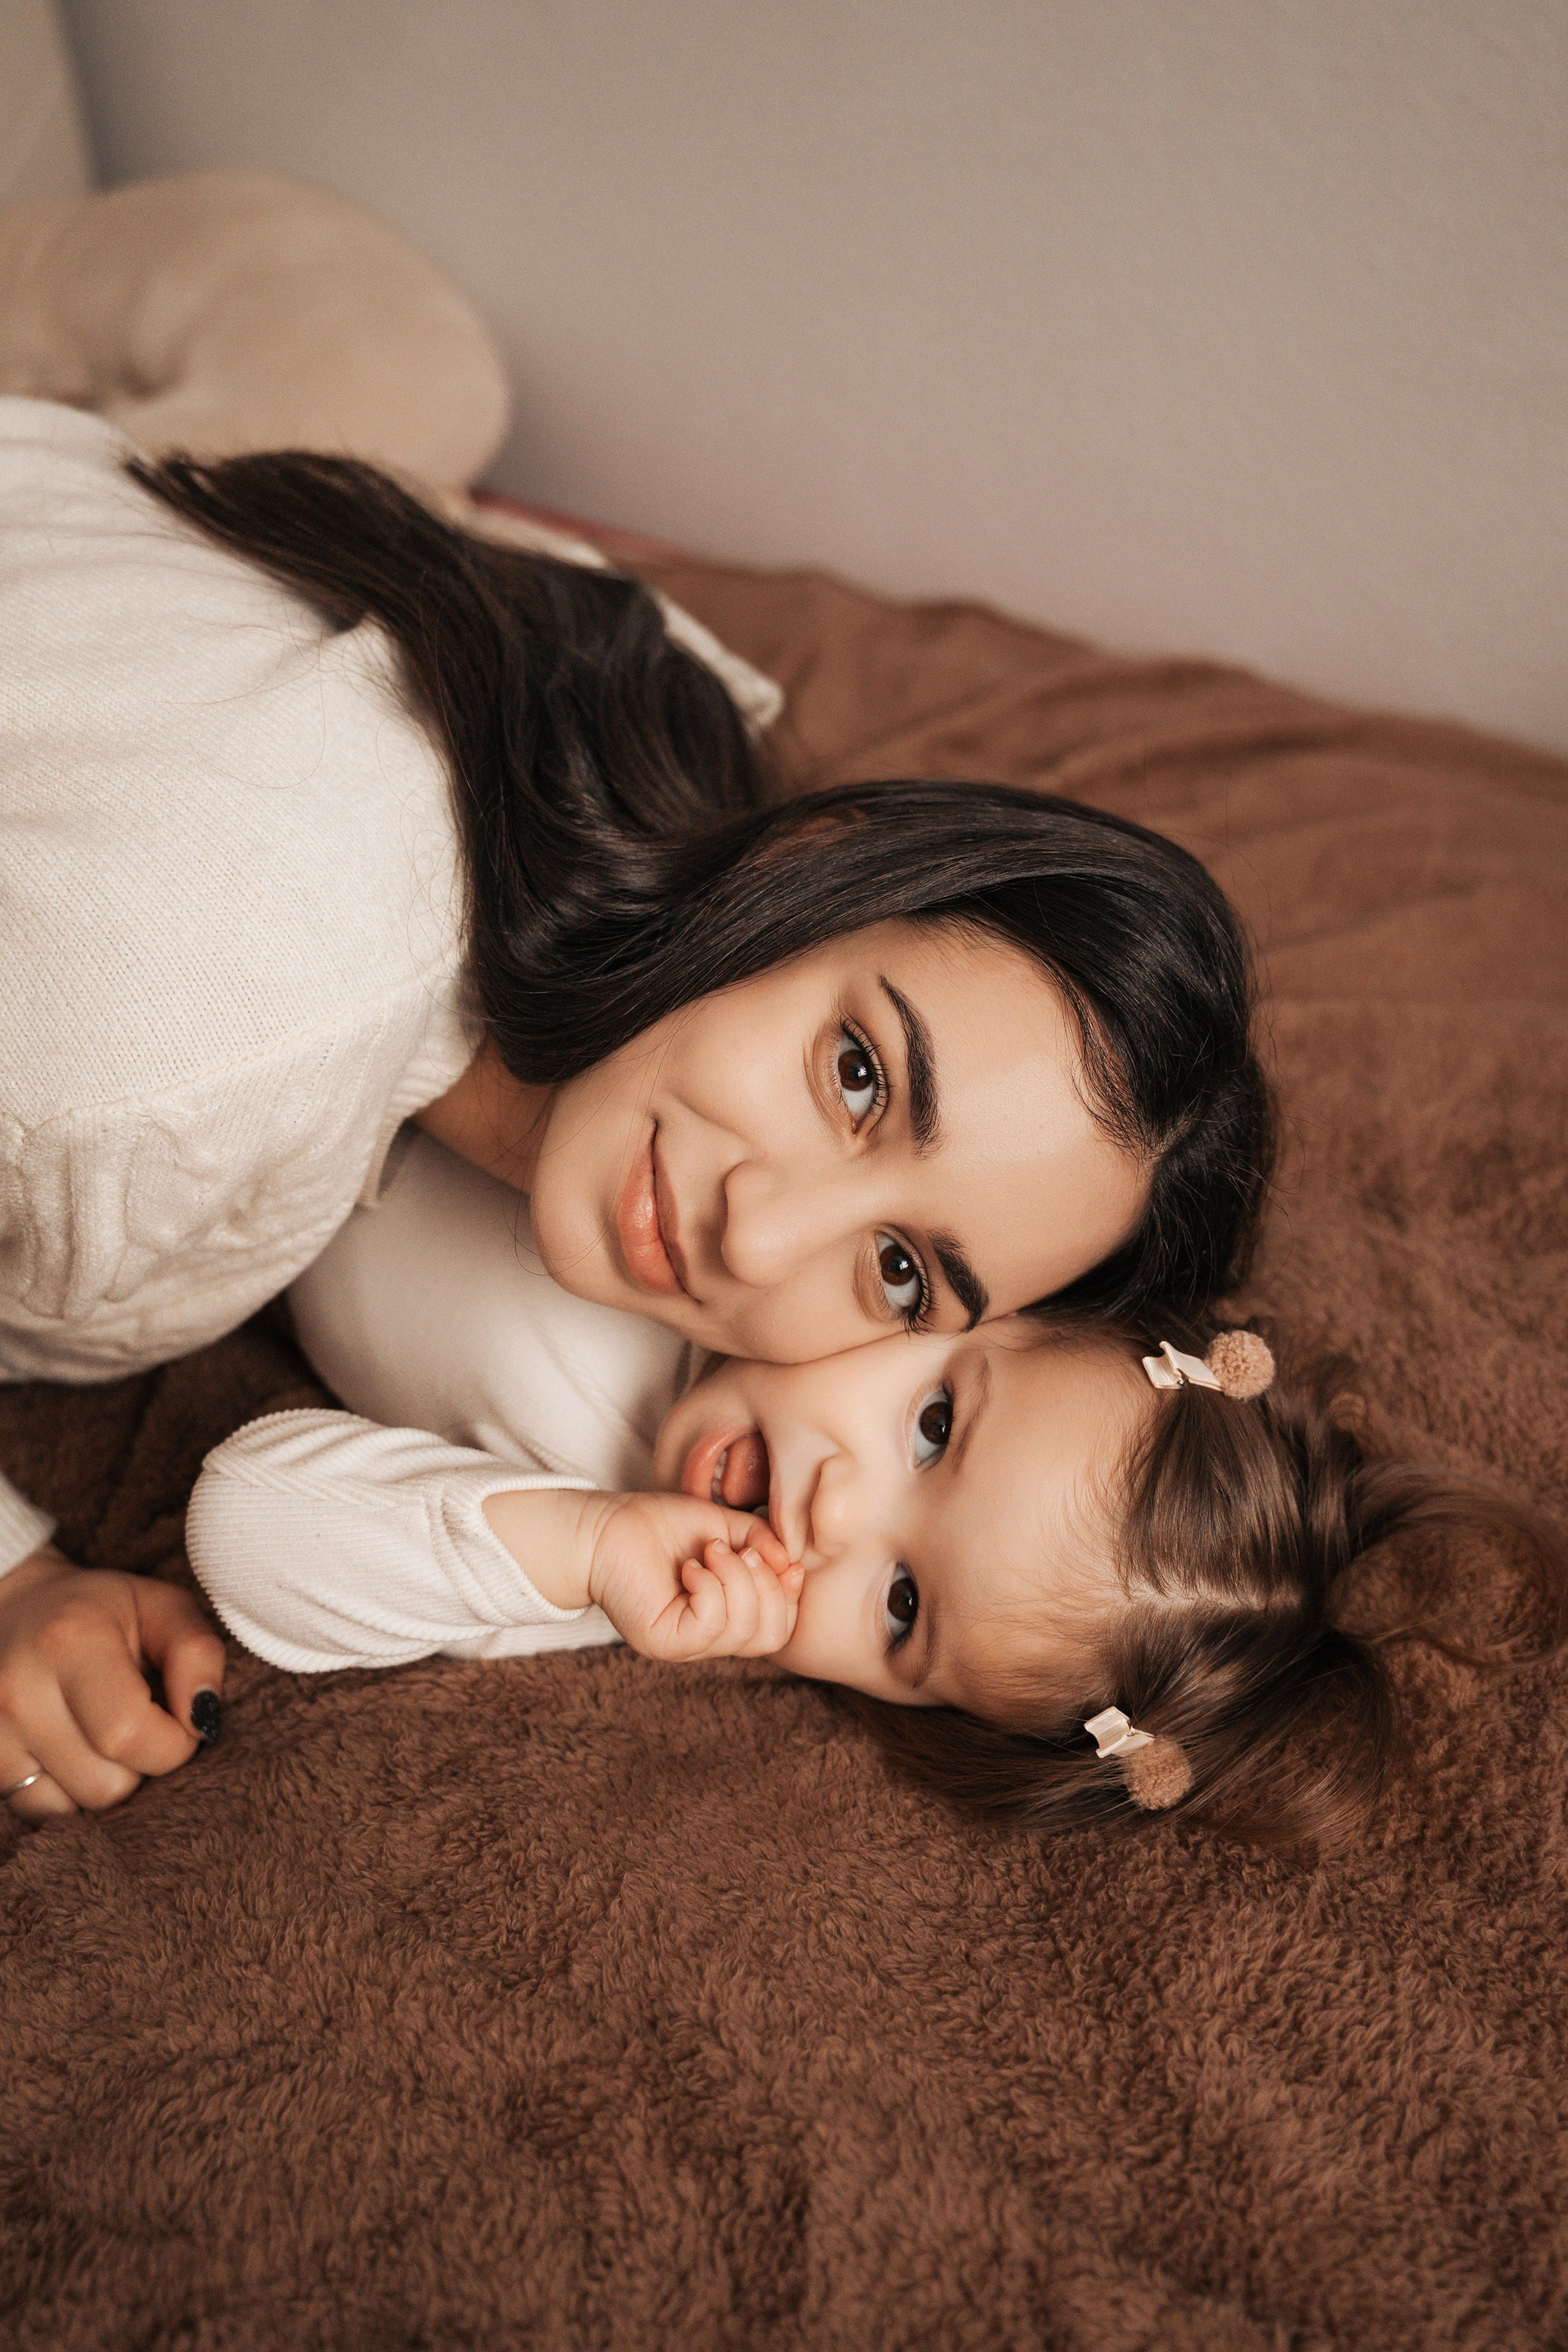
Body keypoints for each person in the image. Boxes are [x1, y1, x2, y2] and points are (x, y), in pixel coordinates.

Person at [0, 396, 1271, 1813]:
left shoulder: (653, 710)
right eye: (857, 1073)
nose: (756, 1228)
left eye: (902, 1270)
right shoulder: (175, 1057)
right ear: (815, 859)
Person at [161, 1131, 1563, 1854]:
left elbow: (246, 1518)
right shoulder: (776, 1198)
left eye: (899, 1604)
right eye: (936, 1421)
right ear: (995, 1297)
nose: (835, 1515)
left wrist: (580, 1548)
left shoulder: (636, 1572)